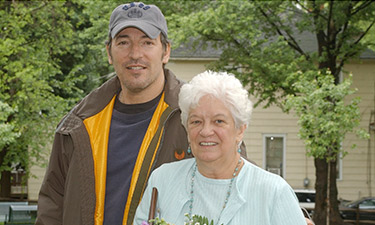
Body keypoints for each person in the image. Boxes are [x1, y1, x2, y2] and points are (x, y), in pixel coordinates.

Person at [35, 2, 194, 225]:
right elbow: (52, 205)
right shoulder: (77, 126)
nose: (135, 54)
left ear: (165, 51)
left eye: (147, 43)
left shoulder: (197, 116)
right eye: (123, 43)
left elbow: (236, 189)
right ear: (109, 52)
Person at [133, 71, 309, 225]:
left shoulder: (274, 192)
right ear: (187, 129)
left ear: (240, 130)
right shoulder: (162, 180)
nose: (206, 131)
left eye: (219, 121)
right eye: (196, 121)